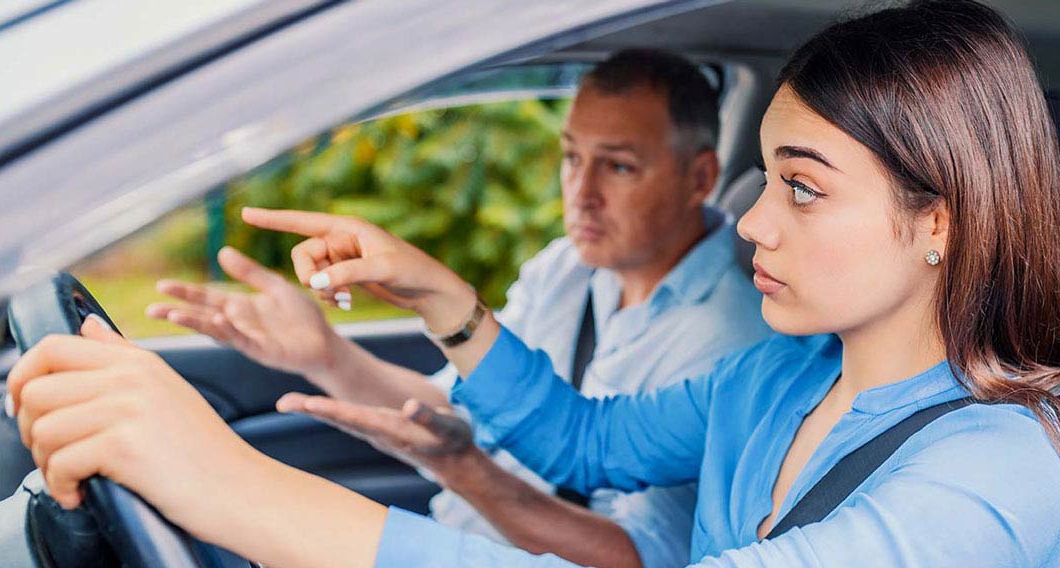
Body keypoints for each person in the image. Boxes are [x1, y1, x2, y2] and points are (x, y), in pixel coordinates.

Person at [5, 1, 1060, 566]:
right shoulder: (775, 379)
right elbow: (581, 442)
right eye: (765, 179)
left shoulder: (998, 469)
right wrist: (443, 300)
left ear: (937, 224)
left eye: (801, 188)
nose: (749, 219)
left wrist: (235, 487)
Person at [141, 49, 772, 568]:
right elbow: (458, 410)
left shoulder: (733, 338)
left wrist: (464, 468)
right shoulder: (568, 267)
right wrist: (325, 353)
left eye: (619, 166)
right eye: (572, 157)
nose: (581, 194)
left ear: (699, 178)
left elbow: (637, 559)